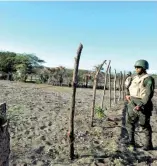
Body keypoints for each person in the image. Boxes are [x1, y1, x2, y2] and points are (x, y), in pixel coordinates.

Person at [125, 59, 155, 151]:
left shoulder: (148, 79)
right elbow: (128, 87)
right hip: (131, 102)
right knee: (129, 122)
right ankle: (131, 141)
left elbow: (148, 94)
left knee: (144, 124)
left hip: (143, 104)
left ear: (144, 68)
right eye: (135, 67)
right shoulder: (134, 78)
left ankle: (148, 145)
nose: (136, 69)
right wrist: (127, 94)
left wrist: (141, 104)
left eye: (138, 67)